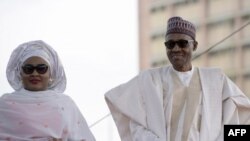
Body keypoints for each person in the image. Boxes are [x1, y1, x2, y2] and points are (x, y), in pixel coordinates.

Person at [104, 16, 250, 141]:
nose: (175, 49)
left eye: (182, 43)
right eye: (170, 44)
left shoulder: (216, 80)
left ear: (195, 45)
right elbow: (133, 123)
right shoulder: (149, 80)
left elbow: (241, 120)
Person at [0, 40, 96, 141]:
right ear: (20, 73)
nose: (35, 73)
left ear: (51, 73)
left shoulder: (65, 104)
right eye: (28, 69)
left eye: (41, 68)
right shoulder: (4, 105)